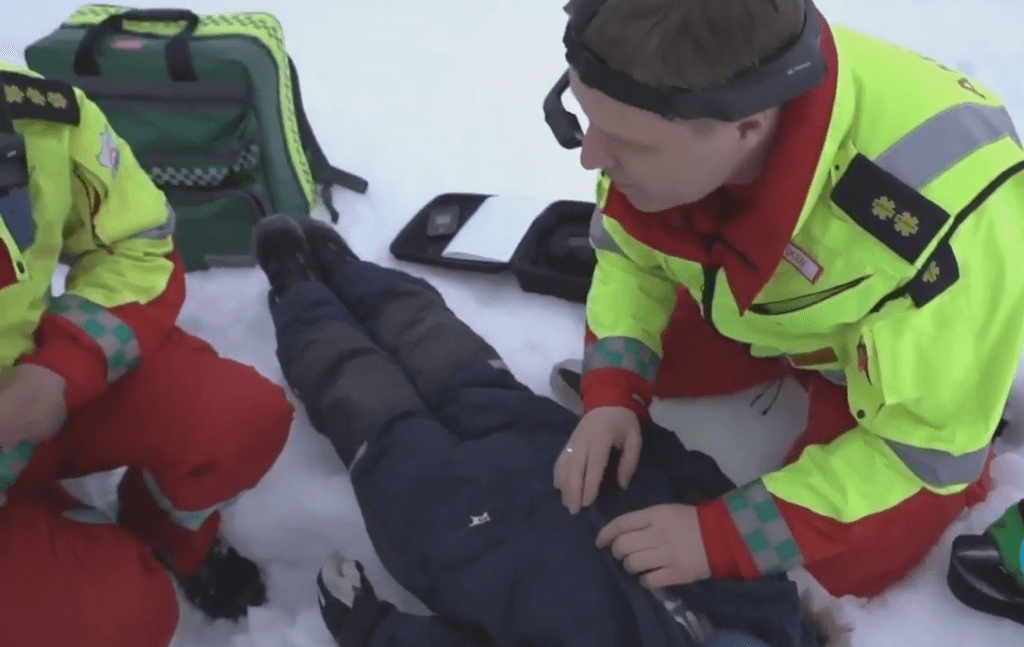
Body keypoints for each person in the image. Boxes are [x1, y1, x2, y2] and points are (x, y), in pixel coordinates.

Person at [547, 0, 1024, 599]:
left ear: (746, 127)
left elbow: (922, 453)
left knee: (827, 568)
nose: (591, 156)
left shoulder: (939, 238)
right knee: (649, 347)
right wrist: (612, 391)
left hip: (908, 376)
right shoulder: (678, 91)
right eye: (583, 116)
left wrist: (719, 538)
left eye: (627, 144)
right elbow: (628, 251)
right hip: (766, 299)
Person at [253, 213, 832, 647]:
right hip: (542, 445)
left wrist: (374, 630)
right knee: (436, 342)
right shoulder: (769, 602)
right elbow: (704, 486)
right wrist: (630, 421)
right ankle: (353, 275)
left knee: (353, 384)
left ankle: (298, 290)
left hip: (444, 517)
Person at [0, 63, 293, 646]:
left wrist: (60, 370)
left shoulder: (35, 111)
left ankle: (164, 538)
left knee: (236, 416)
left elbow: (137, 244)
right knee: (120, 620)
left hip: (44, 396)